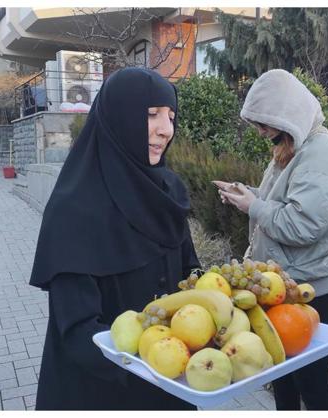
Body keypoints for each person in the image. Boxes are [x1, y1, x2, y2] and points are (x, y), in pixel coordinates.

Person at [29, 68, 200, 410]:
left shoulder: (167, 190)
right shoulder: (73, 209)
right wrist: (147, 361)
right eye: (151, 115)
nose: (166, 129)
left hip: (171, 378)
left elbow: (190, 273)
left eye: (171, 116)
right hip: (101, 390)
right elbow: (78, 330)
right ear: (119, 117)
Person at [218, 69, 328, 410]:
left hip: (311, 293)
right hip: (282, 287)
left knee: (314, 386)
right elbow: (280, 203)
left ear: (287, 114)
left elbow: (303, 226)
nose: (260, 131)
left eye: (264, 122)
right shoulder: (292, 145)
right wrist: (246, 195)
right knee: (282, 375)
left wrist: (254, 207)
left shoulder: (321, 155)